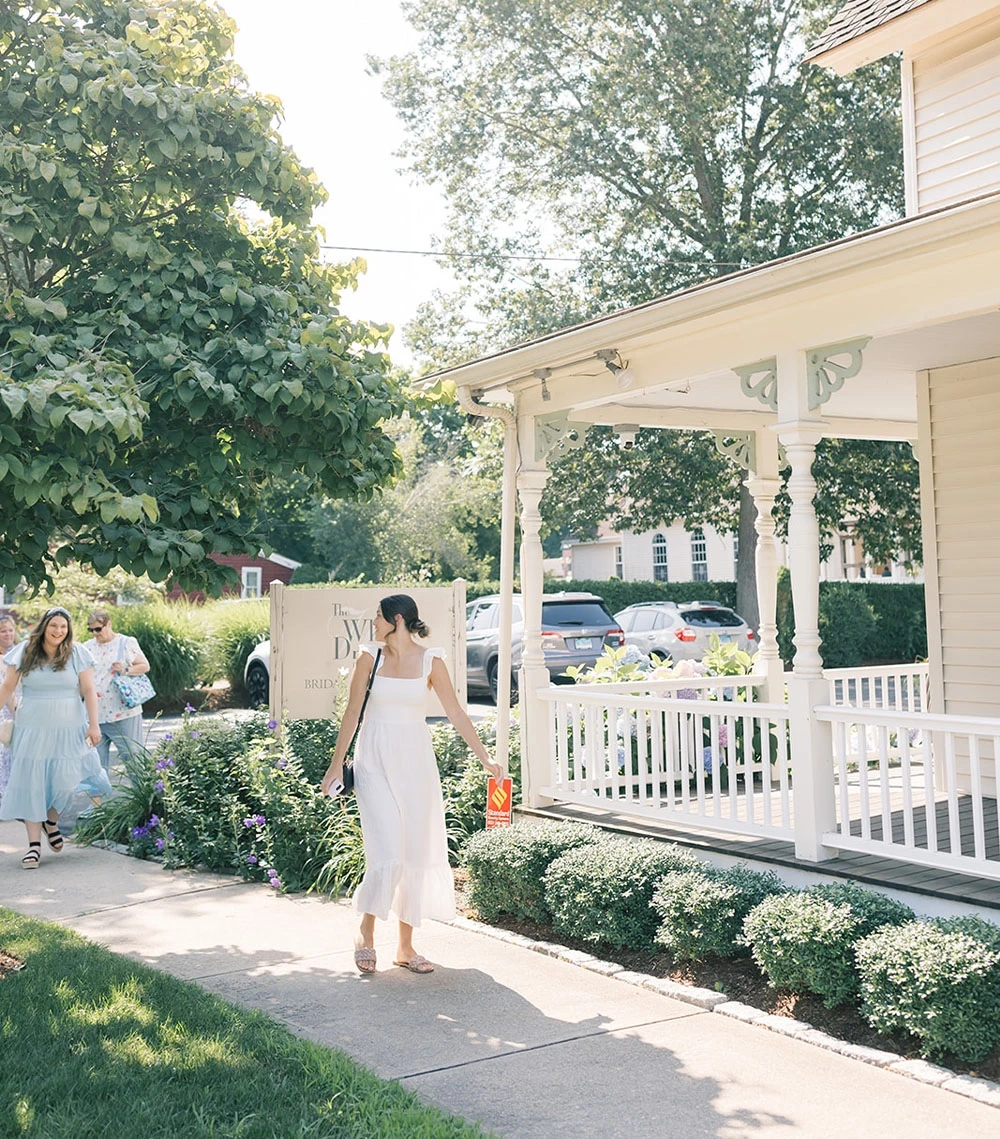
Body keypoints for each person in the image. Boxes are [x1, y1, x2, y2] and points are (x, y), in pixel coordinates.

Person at [321, 594, 504, 975]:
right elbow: (352, 712)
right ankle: (365, 933)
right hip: (374, 759)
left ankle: (405, 946)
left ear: (397, 620)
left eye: (378, 618)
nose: (373, 624)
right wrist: (335, 766)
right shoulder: (369, 657)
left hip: (416, 762)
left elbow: (455, 711)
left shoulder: (430, 660)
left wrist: (485, 757)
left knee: (414, 852)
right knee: (387, 849)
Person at [0, 607, 112, 868]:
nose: (58, 631)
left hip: (70, 728)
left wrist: (93, 725)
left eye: (63, 626)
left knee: (65, 781)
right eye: (54, 625)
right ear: (44, 626)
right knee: (32, 782)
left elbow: (88, 688)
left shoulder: (76, 653)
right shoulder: (25, 651)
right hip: (31, 728)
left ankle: (51, 821)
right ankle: (33, 847)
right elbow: (7, 687)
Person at [82, 608, 151, 776]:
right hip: (95, 717)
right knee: (95, 765)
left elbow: (144, 666)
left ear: (109, 624)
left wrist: (126, 669)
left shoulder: (126, 643)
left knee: (134, 760)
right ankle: (98, 803)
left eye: (98, 628)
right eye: (91, 630)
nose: (95, 633)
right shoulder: (86, 647)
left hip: (123, 714)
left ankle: (143, 801)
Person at [0, 615, 18, 806]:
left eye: (10, 630)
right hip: (5, 710)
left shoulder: (20, 653)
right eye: (3, 631)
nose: (8, 634)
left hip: (17, 708)